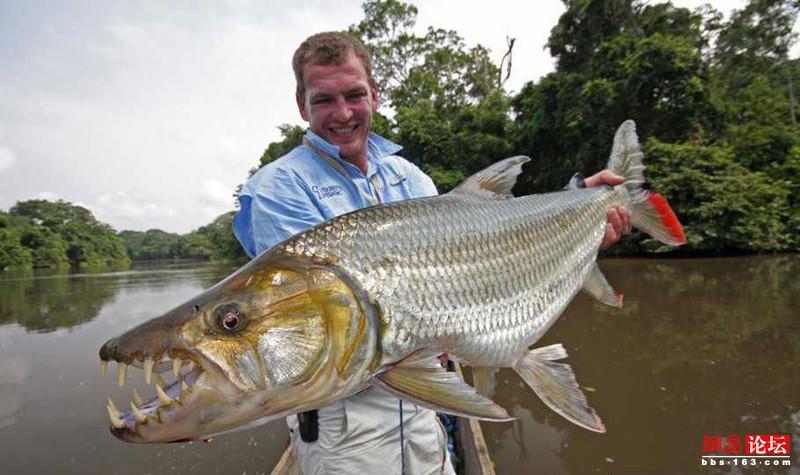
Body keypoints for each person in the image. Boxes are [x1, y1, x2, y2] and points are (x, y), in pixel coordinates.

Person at [233, 31, 630, 475]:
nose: (342, 113)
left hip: (425, 406)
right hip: (344, 428)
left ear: (374, 95)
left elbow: (479, 251)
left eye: (354, 95)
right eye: (324, 100)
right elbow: (308, 331)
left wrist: (581, 209)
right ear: (302, 104)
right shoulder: (278, 188)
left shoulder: (410, 177)